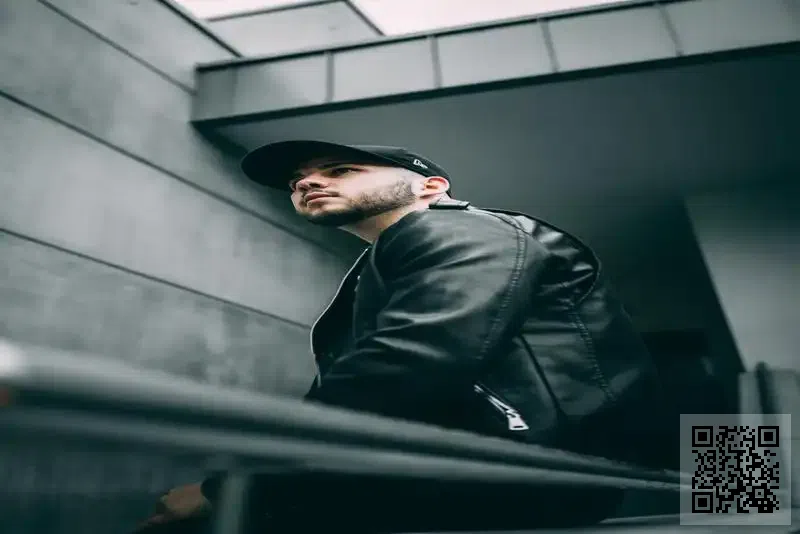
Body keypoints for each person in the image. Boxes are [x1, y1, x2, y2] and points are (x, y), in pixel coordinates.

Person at [137, 141, 673, 533]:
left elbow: (409, 364)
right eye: (298, 181)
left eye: (340, 170)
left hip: (513, 482)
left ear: (431, 187)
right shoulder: (388, 263)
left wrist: (234, 487)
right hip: (484, 482)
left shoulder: (459, 228)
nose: (307, 183)